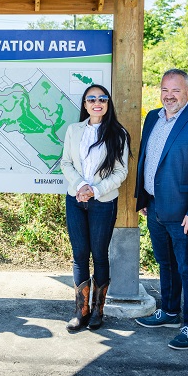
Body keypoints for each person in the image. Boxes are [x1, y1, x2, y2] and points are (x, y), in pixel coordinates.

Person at [134, 68, 188, 349]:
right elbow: (148, 159)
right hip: (155, 205)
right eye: (165, 90)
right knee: (165, 262)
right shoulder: (152, 118)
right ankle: (170, 312)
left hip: (185, 213)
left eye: (176, 91)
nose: (169, 96)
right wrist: (144, 198)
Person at [60, 84, 130, 332]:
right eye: (92, 99)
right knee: (80, 255)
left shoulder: (118, 133)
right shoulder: (73, 130)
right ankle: (81, 311)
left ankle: (98, 311)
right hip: (75, 199)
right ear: (85, 104)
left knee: (99, 254)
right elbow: (66, 162)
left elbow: (122, 171)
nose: (97, 102)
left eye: (102, 98)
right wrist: (80, 185)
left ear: (108, 103)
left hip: (103, 202)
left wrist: (94, 190)